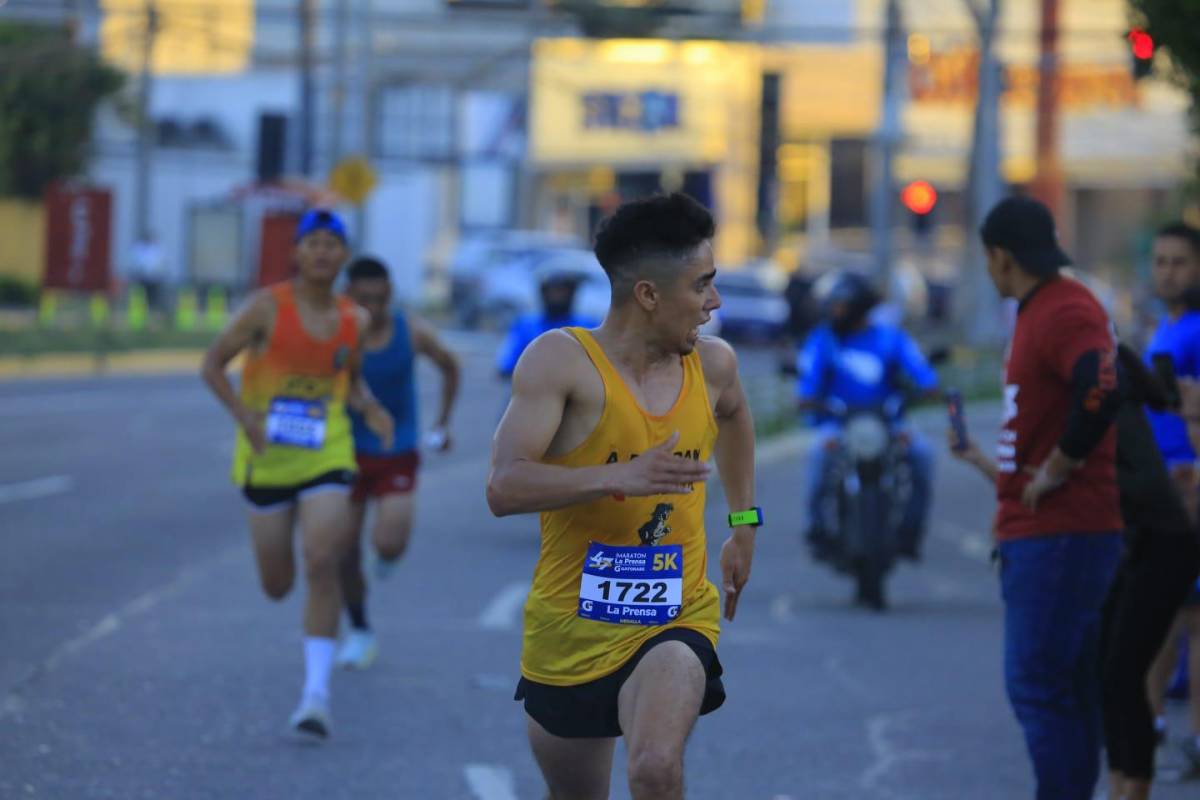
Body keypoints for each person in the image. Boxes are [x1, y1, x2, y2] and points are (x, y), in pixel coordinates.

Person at [486, 192, 758, 800]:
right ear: (649, 295)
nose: (715, 302)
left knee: (655, 770)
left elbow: (736, 416)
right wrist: (615, 476)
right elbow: (503, 487)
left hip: (674, 617)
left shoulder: (713, 366)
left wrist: (744, 522)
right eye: (702, 285)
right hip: (570, 630)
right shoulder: (562, 362)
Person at [949, 195, 1123, 800]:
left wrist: (1061, 463)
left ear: (1000, 257)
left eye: (988, 259)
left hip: (1063, 534)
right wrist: (989, 464)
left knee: (1040, 686)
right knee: (1062, 687)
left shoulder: (1065, 308)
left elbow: (1103, 386)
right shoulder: (1040, 309)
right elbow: (1039, 430)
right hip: (1047, 533)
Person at [200, 209, 394, 739]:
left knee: (322, 559)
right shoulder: (266, 308)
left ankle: (315, 696)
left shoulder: (354, 319)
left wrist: (370, 408)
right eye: (314, 242)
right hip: (266, 457)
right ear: (297, 252)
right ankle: (313, 675)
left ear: (344, 255)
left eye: (333, 243)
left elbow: (349, 381)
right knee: (277, 584)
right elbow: (212, 365)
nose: (323, 251)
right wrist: (243, 415)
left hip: (327, 452)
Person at [335, 256, 461, 669]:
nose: (372, 307)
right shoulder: (336, 331)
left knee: (389, 543)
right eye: (363, 299)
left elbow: (450, 366)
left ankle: (386, 556)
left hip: (397, 450)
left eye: (379, 298)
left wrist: (443, 421)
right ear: (347, 295)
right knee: (343, 551)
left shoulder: (412, 331)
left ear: (390, 293)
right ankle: (359, 630)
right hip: (344, 451)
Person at [1096, 345, 1200, 800]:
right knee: (1111, 668)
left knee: (1122, 670)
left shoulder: (1102, 395)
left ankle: (1133, 786)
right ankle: (1122, 782)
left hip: (1163, 544)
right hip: (1143, 542)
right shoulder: (1107, 386)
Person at [796, 272, 939, 566]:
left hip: (888, 423)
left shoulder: (890, 337)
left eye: (840, 305)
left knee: (923, 455)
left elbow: (923, 375)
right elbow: (807, 384)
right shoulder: (823, 339)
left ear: (858, 308)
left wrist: (926, 386)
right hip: (838, 424)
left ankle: (910, 531)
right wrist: (808, 399)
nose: (833, 311)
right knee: (819, 459)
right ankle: (818, 530)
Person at [1141, 221, 1200, 770]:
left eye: (1179, 261)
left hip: (1189, 486)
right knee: (1161, 614)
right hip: (1158, 487)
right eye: (1160, 261)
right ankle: (1150, 727)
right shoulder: (1167, 326)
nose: (1168, 272)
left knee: (1191, 618)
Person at [495, 268, 598, 380]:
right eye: (553, 291)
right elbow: (505, 365)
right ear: (543, 293)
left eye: (563, 291)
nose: (558, 296)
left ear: (572, 293)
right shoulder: (525, 325)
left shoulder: (588, 325)